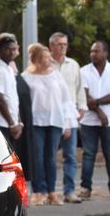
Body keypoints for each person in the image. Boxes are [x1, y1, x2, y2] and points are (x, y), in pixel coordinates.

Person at [21, 43, 77, 206]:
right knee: (37, 157)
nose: (49, 59)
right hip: (36, 122)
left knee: (50, 157)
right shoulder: (26, 76)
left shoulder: (56, 75)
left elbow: (65, 100)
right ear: (37, 59)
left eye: (49, 56)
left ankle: (52, 192)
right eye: (45, 57)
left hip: (55, 121)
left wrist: (67, 123)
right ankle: (38, 192)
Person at [49, 32, 86, 203]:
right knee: (49, 156)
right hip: (51, 118)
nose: (62, 47)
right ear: (51, 46)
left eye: (65, 44)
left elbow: (79, 89)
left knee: (70, 156)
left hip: (70, 117)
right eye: (59, 44)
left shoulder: (73, 65)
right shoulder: (45, 63)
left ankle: (69, 191)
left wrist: (82, 108)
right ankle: (48, 192)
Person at [78, 40, 110, 201]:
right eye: (91, 51)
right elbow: (84, 95)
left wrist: (96, 103)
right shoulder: (84, 71)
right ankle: (86, 187)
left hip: (109, 122)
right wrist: (100, 112)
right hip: (88, 121)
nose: (93, 54)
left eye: (97, 51)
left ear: (105, 53)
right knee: (88, 154)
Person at [0, 33, 23, 147]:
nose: (11, 52)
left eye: (14, 49)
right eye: (7, 49)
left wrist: (19, 122)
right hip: (0, 123)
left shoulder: (9, 69)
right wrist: (12, 124)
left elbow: (14, 98)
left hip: (10, 123)